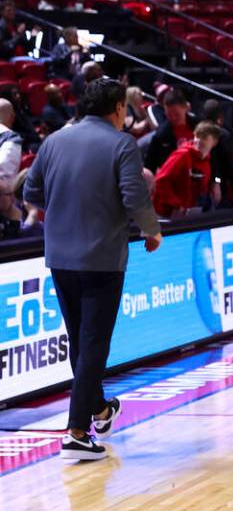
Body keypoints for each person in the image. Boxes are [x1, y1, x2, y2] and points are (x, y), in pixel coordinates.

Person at [22, 78, 163, 461]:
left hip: (60, 257)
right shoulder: (122, 144)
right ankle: (77, 432)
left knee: (82, 342)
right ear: (118, 108)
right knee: (94, 343)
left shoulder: (53, 142)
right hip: (101, 258)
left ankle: (100, 410)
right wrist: (151, 230)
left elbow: (30, 193)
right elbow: (134, 196)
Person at [152, 121, 221, 217]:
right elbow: (160, 180)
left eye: (204, 138)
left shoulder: (208, 161)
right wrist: (176, 204)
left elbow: (214, 178)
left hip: (190, 215)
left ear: (214, 142)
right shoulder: (183, 155)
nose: (198, 141)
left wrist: (217, 182)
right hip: (167, 215)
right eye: (197, 136)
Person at [145, 89, 198, 172]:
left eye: (177, 114)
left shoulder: (199, 127)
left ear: (186, 108)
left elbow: (213, 157)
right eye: (169, 115)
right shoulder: (161, 135)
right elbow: (149, 166)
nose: (173, 118)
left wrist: (216, 180)